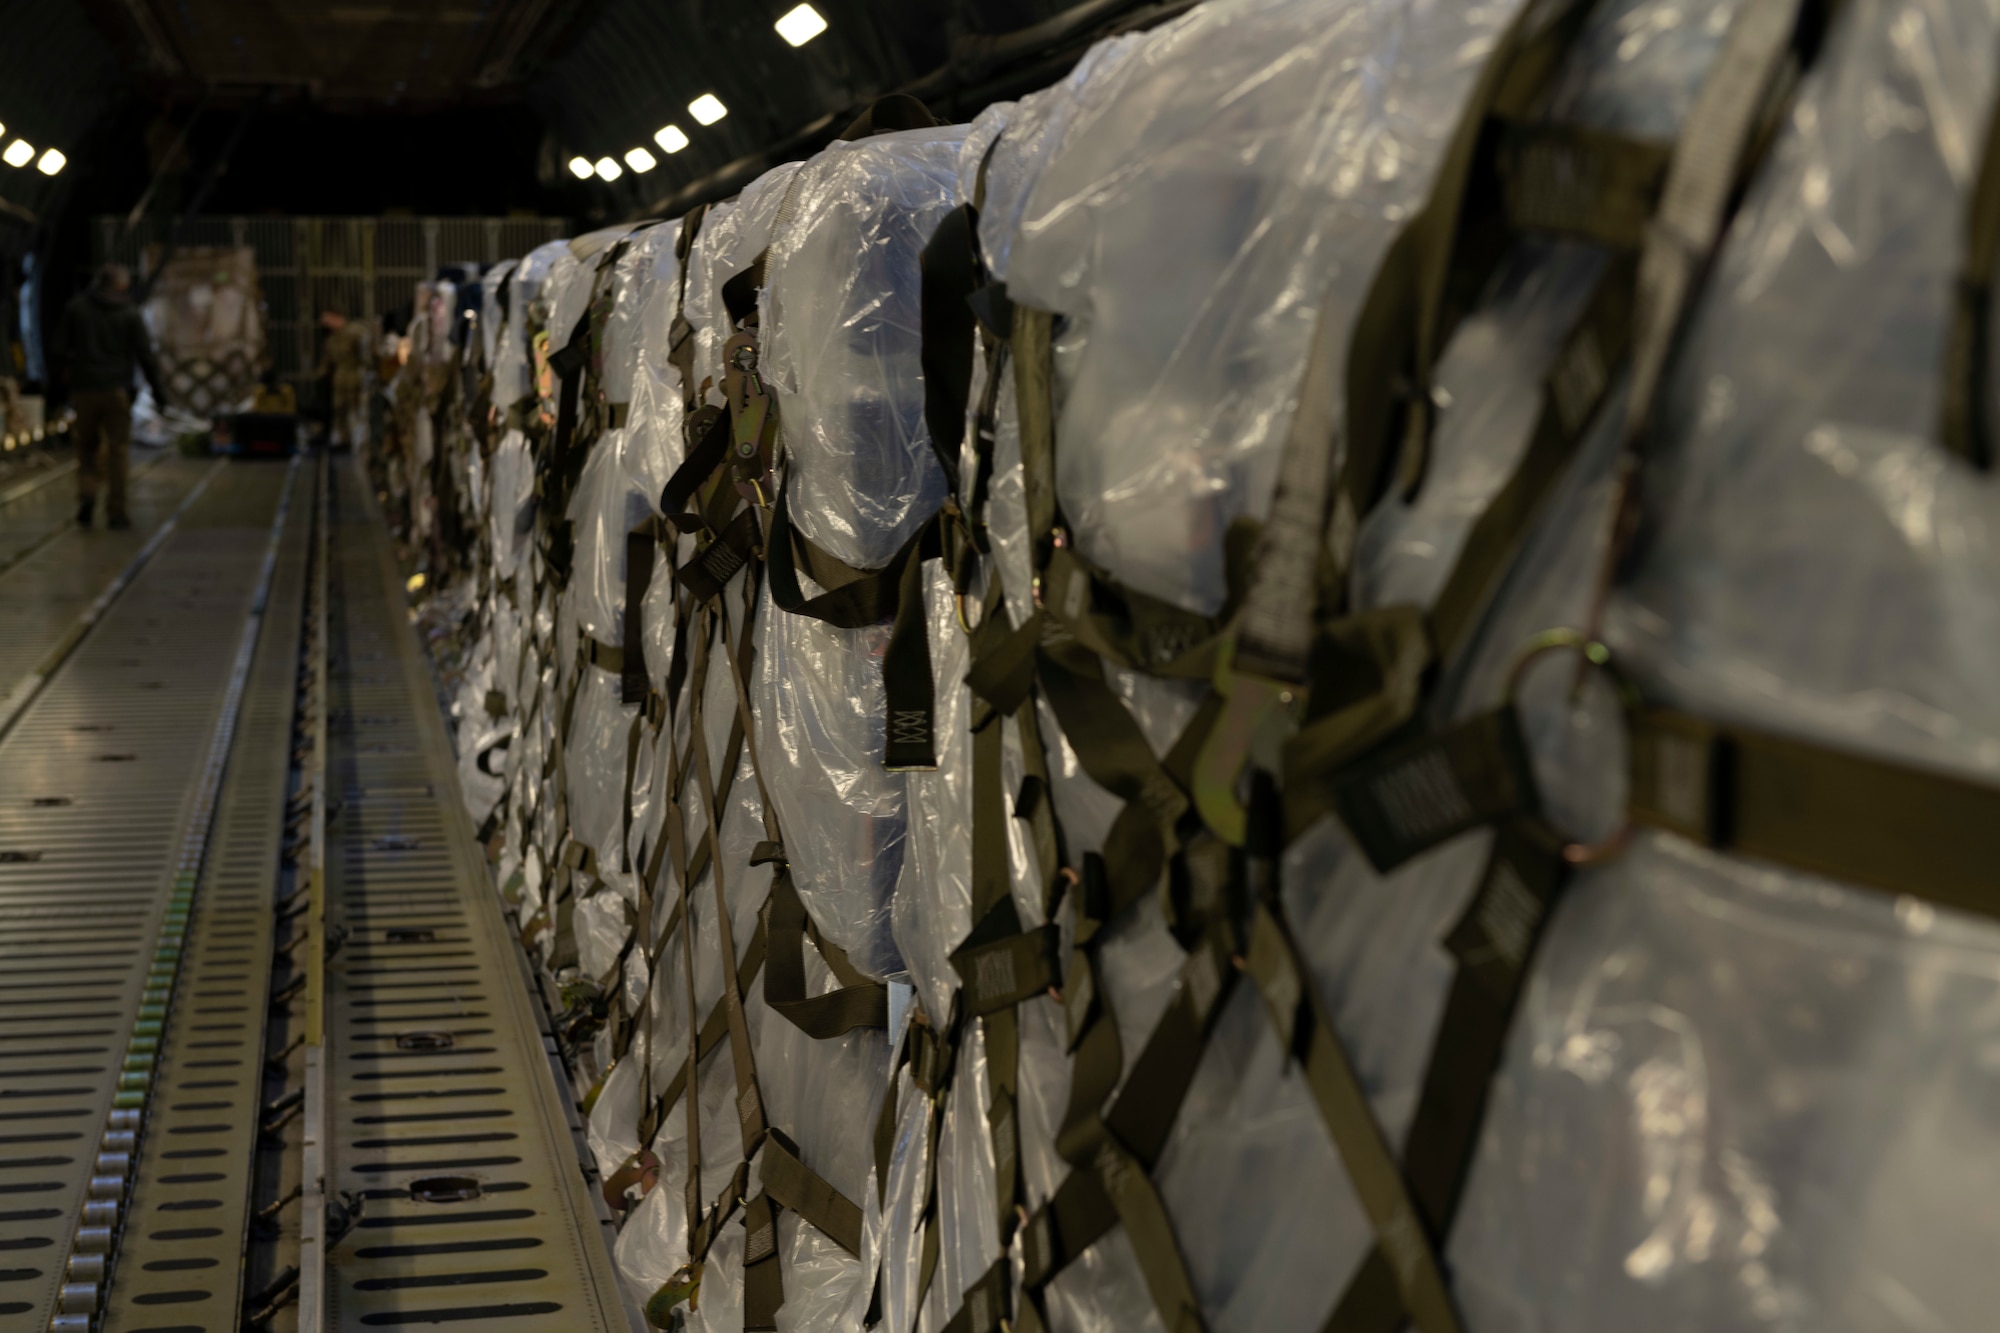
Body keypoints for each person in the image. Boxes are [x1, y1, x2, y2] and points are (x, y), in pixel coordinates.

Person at [54, 263, 167, 529]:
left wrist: (59, 390)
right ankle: (116, 510)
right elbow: (145, 356)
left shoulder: (76, 309)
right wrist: (160, 394)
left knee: (86, 448)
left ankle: (87, 495)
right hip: (116, 390)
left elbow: (58, 349)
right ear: (121, 285)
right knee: (118, 450)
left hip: (84, 390)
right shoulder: (128, 312)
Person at [317, 308, 368, 449]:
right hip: (339, 379)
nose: (325, 323)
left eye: (327, 319)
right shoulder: (332, 339)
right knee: (339, 410)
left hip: (354, 376)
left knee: (356, 409)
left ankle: (359, 441)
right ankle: (343, 440)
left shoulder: (355, 332)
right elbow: (327, 361)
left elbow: (365, 352)